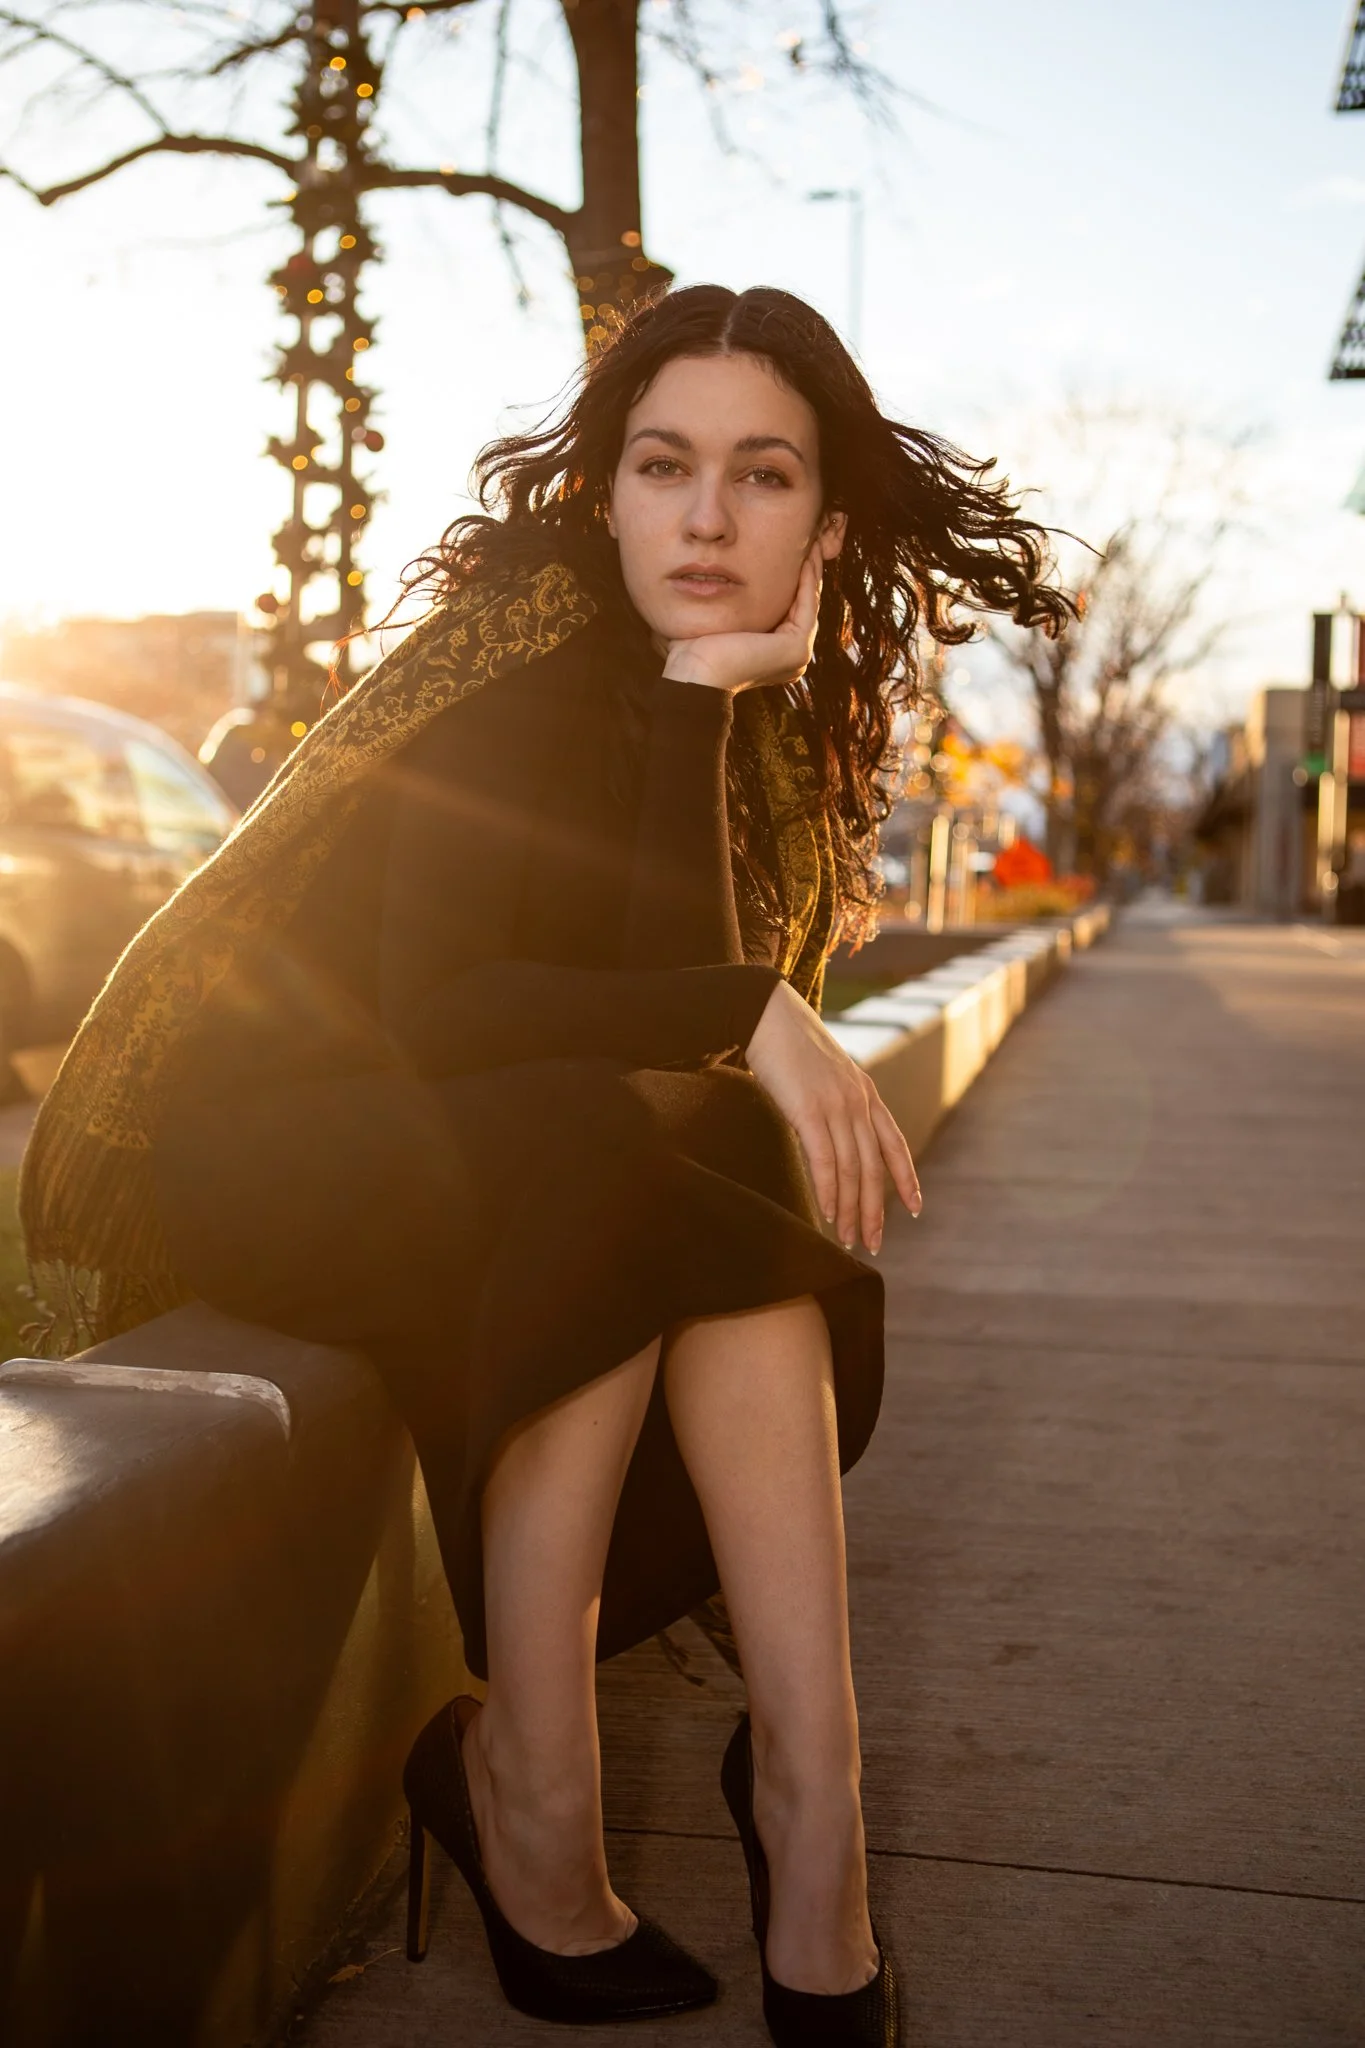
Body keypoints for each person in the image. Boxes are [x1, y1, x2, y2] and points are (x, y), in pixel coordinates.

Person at [19, 285, 1070, 2047]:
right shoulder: (505, 669)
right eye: (666, 468)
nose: (710, 519)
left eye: (762, 475)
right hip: (290, 1139)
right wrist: (750, 999)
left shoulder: (728, 710)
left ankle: (815, 1809)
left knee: (676, 1143)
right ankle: (535, 1788)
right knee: (622, 1145)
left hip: (507, 1144)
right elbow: (449, 1007)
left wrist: (700, 720)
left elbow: (657, 1041)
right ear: (604, 492)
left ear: (825, 518)